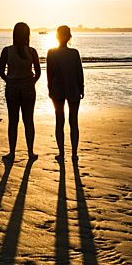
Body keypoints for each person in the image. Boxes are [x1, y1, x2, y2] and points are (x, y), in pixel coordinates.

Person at [0, 22, 41, 162]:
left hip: (12, 88)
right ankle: (30, 152)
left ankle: (12, 153)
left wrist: (9, 80)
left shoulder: (7, 50)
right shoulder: (31, 51)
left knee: (13, 121)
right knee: (29, 120)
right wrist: (31, 81)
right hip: (28, 87)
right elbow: (39, 72)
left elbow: (1, 71)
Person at [47, 25, 84, 162]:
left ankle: (61, 153)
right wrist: (82, 87)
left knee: (59, 121)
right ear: (69, 37)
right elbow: (79, 72)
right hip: (73, 88)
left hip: (57, 89)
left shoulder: (51, 52)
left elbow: (49, 74)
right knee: (73, 121)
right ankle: (74, 154)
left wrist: (49, 88)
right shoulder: (74, 53)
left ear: (57, 36)